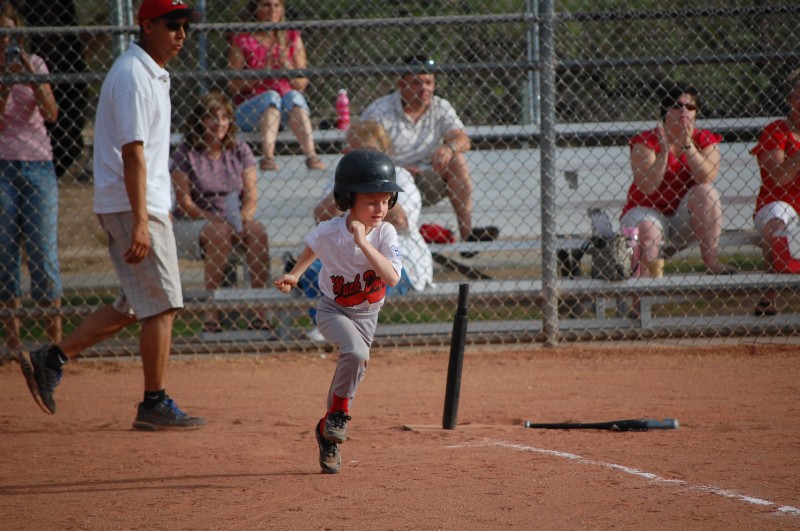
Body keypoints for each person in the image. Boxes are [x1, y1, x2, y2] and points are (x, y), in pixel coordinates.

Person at [16, 0, 205, 430]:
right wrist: (141, 218)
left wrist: (159, 208)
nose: (181, 34)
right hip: (129, 203)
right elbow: (132, 152)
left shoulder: (153, 72)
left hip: (142, 202)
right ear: (146, 25)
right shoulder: (134, 75)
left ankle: (51, 358)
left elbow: (148, 155)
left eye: (185, 26)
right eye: (172, 25)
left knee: (137, 305)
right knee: (163, 305)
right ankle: (153, 403)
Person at [274, 150, 403, 474]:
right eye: (371, 201)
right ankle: (337, 416)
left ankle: (327, 434)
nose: (380, 208)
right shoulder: (331, 229)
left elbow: (392, 277)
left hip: (367, 315)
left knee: (354, 365)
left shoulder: (385, 233)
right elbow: (314, 245)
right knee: (357, 355)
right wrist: (296, 274)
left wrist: (364, 243)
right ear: (349, 199)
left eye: (385, 200)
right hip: (333, 310)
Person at [361, 55, 498, 247]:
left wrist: (449, 148)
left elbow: (463, 139)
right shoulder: (380, 110)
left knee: (457, 160)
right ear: (401, 84)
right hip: (391, 182)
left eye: (428, 82)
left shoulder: (440, 106)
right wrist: (395, 171)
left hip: (429, 178)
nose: (424, 88)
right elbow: (363, 152)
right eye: (416, 83)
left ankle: (467, 235)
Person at [171, 91, 271, 332]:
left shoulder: (239, 149)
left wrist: (245, 216)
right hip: (193, 221)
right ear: (199, 121)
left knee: (257, 231)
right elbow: (185, 202)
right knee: (218, 233)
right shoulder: (185, 153)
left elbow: (251, 196)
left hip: (233, 217)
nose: (220, 124)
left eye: (225, 117)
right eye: (212, 118)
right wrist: (214, 219)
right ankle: (212, 313)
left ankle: (258, 311)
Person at [620, 82, 736, 277]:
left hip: (685, 219)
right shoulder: (646, 141)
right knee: (648, 230)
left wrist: (687, 145)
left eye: (690, 107)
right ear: (665, 111)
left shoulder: (704, 139)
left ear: (695, 114)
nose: (683, 110)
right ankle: (640, 301)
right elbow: (648, 186)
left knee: (706, 192)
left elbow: (705, 176)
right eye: (677, 105)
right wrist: (664, 152)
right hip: (648, 212)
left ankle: (711, 262)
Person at [0, 3, 61, 352]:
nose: (6, 39)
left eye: (10, 32)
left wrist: (27, 72)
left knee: (43, 257)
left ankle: (55, 346)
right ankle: (14, 345)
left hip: (38, 166)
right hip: (2, 167)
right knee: (5, 257)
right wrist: (6, 83)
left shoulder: (34, 63)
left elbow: (51, 113)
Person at [227, 0, 325, 172]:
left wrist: (286, 66)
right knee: (271, 96)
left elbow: (301, 84)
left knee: (294, 96)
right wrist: (263, 72)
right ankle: (268, 158)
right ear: (255, 9)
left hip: (285, 111)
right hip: (250, 110)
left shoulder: (291, 37)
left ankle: (311, 156)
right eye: (266, 5)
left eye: (277, 5)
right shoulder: (243, 38)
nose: (272, 10)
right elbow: (233, 86)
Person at [750, 68, 800, 316]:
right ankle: (769, 292)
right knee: (778, 217)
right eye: (799, 95)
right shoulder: (776, 131)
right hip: (777, 205)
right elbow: (779, 178)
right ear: (791, 99)